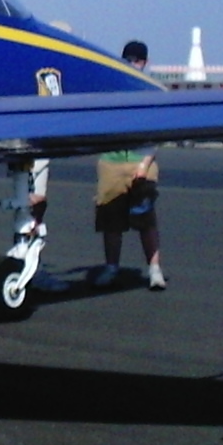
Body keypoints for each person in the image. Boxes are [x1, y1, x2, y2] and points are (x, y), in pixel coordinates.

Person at [95, 40, 165, 291]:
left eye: (136, 60)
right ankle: (111, 267)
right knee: (110, 220)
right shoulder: (111, 89)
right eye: (128, 59)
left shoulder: (151, 91)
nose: (132, 64)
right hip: (111, 161)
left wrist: (145, 163)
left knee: (146, 218)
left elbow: (159, 133)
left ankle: (154, 269)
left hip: (140, 160)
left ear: (144, 63)